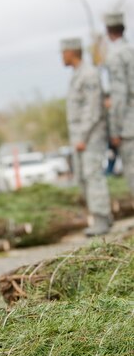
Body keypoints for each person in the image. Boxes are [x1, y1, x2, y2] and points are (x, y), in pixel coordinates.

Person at [61, 38, 112, 236]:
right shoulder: (77, 75)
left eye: (63, 53)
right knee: (83, 178)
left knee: (93, 176)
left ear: (72, 52)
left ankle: (101, 219)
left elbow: (93, 110)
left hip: (90, 137)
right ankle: (102, 217)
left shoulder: (89, 74)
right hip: (80, 138)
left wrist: (82, 136)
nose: (61, 57)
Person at [104, 12, 134, 199]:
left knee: (132, 169)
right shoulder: (131, 49)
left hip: (129, 123)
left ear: (108, 30)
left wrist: (115, 129)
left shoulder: (116, 54)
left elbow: (120, 93)